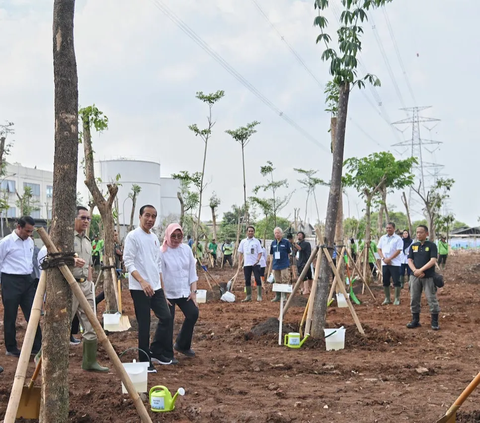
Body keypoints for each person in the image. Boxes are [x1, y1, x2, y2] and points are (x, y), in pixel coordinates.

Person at [123, 205, 174, 371]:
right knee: (144, 324)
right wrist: (142, 282)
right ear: (140, 216)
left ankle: (156, 351)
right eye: (147, 215)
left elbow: (157, 264)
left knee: (166, 317)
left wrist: (161, 289)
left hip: (156, 287)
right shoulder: (133, 236)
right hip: (139, 288)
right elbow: (128, 262)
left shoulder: (154, 238)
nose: (150, 219)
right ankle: (144, 361)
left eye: (153, 216)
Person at [71, 206, 109, 371]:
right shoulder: (66, 238)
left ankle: (89, 362)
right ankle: (43, 357)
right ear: (74, 219)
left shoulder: (87, 241)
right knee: (62, 325)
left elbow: (89, 266)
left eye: (88, 218)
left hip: (85, 285)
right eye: (83, 217)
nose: (86, 221)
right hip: (69, 286)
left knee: (92, 323)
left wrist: (91, 283)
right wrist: (71, 260)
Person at [0, 216, 42, 357]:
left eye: (31, 231)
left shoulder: (29, 242)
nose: (29, 234)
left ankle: (37, 346)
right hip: (10, 281)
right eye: (27, 231)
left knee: (33, 313)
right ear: (18, 227)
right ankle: (11, 348)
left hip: (27, 281)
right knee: (10, 315)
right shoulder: (5, 242)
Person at [160, 223, 199, 358]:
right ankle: (166, 352)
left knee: (193, 313)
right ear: (168, 236)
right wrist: (162, 295)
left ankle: (182, 345)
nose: (176, 239)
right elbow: (160, 274)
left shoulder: (186, 249)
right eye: (173, 236)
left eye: (179, 236)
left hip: (184, 291)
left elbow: (192, 271)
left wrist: (193, 292)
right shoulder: (162, 252)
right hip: (168, 293)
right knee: (168, 321)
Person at [406, 225, 440, 330]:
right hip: (414, 276)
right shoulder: (413, 246)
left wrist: (421, 270)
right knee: (414, 298)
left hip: (428, 276)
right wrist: (415, 271)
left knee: (431, 298)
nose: (418, 234)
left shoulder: (432, 245)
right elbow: (409, 260)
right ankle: (415, 320)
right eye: (417, 232)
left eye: (421, 232)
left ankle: (434, 321)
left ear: (427, 234)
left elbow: (433, 260)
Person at [377, 222, 403, 306]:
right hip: (384, 263)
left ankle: (397, 298)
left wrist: (390, 258)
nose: (388, 229)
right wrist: (384, 258)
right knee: (385, 281)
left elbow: (399, 250)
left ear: (394, 229)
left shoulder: (398, 238)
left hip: (395, 263)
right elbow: (379, 249)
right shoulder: (383, 238)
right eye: (387, 228)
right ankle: (387, 298)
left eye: (390, 228)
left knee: (396, 281)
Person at [238, 226, 263, 302]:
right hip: (247, 264)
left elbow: (260, 252)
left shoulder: (256, 241)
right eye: (249, 231)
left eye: (252, 231)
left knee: (258, 279)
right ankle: (248, 296)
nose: (250, 232)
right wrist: (240, 264)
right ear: (246, 232)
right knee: (247, 280)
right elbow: (240, 253)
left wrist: (258, 260)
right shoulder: (243, 242)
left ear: (254, 232)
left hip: (255, 264)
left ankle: (259, 296)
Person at [270, 227, 291, 302]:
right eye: (275, 233)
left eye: (278, 232)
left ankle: (284, 296)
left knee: (285, 279)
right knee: (277, 280)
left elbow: (289, 253)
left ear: (281, 234)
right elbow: (271, 254)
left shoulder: (286, 242)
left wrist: (288, 263)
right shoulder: (273, 243)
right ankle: (277, 296)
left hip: (284, 264)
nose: (277, 234)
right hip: (276, 264)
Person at [293, 231, 312, 295]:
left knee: (305, 276)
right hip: (299, 262)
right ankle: (303, 288)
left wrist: (293, 243)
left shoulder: (306, 243)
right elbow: (294, 251)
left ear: (303, 236)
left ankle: (307, 289)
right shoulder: (298, 243)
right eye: (298, 235)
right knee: (300, 276)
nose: (299, 236)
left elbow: (300, 248)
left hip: (305, 262)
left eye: (300, 235)